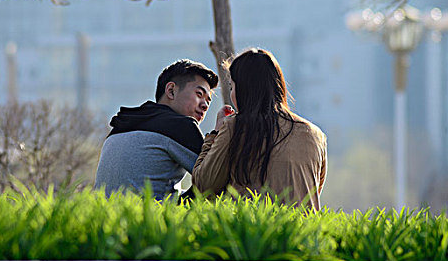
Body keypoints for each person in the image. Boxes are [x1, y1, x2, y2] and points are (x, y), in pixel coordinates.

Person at [192, 48, 327, 209]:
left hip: (254, 232)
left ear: (243, 90)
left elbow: (205, 186)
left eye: (231, 87)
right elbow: (310, 192)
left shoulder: (235, 126)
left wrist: (215, 134)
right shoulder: (315, 134)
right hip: (301, 232)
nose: (231, 94)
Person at [94, 59, 218, 200]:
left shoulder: (120, 126)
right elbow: (215, 177)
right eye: (199, 94)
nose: (205, 105)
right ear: (171, 91)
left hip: (103, 216)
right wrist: (220, 134)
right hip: (150, 218)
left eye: (208, 101)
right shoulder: (179, 126)